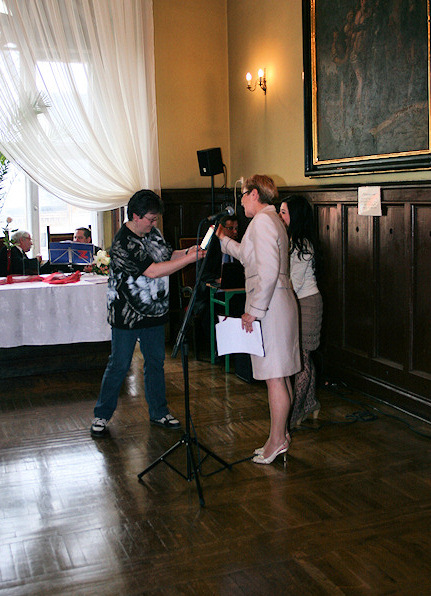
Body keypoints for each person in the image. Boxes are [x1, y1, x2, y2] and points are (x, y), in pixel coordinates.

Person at [91, 189, 206, 437]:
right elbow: (153, 271)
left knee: (155, 363)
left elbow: (166, 256)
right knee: (119, 365)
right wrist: (188, 260)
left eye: (155, 219)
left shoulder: (151, 233)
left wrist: (187, 252)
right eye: (151, 219)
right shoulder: (123, 242)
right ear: (135, 215)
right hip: (126, 313)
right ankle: (101, 415)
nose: (154, 224)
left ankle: (158, 412)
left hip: (154, 311)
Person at [216, 175, 300, 465]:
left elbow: (266, 271)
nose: (240, 201)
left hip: (271, 306)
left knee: (275, 377)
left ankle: (277, 441)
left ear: (254, 194)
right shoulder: (269, 220)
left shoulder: (263, 222)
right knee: (280, 374)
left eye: (242, 195)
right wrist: (226, 242)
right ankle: (279, 437)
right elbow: (250, 257)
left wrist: (254, 310)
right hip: (277, 303)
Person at [279, 195, 323, 428]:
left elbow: (292, 282)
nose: (280, 216)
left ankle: (293, 415)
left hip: (306, 303)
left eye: (284, 212)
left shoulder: (302, 244)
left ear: (295, 216)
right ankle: (311, 403)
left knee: (302, 359)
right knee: (304, 357)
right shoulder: (290, 239)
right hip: (295, 302)